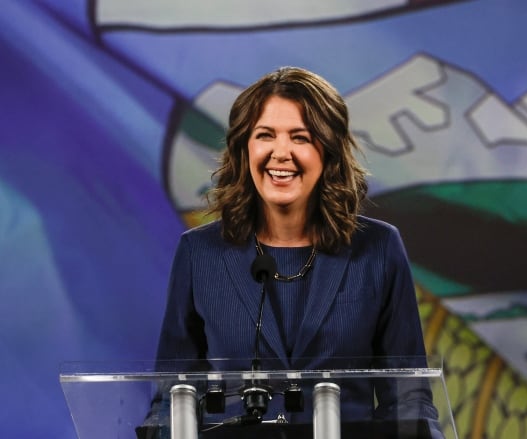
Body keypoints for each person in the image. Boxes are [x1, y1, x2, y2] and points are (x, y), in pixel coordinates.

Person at [152, 66, 439, 432]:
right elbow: (170, 399)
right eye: (265, 135)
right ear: (244, 148)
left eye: (300, 137)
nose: (280, 153)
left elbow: (409, 397)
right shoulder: (200, 253)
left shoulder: (378, 249)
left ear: (328, 150)